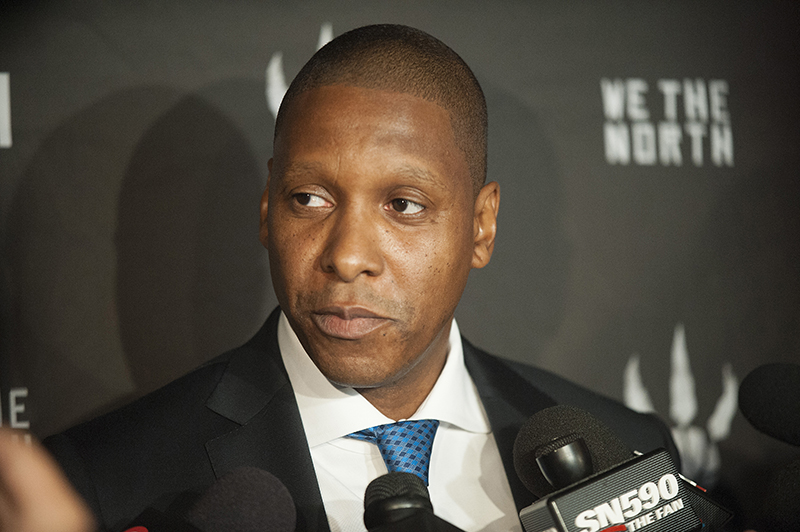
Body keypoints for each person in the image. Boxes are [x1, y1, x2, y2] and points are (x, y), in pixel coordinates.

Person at [44, 24, 678, 532]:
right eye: (309, 199)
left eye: (403, 205)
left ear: (481, 227)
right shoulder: (101, 484)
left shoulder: (631, 457)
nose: (347, 258)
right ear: (266, 209)